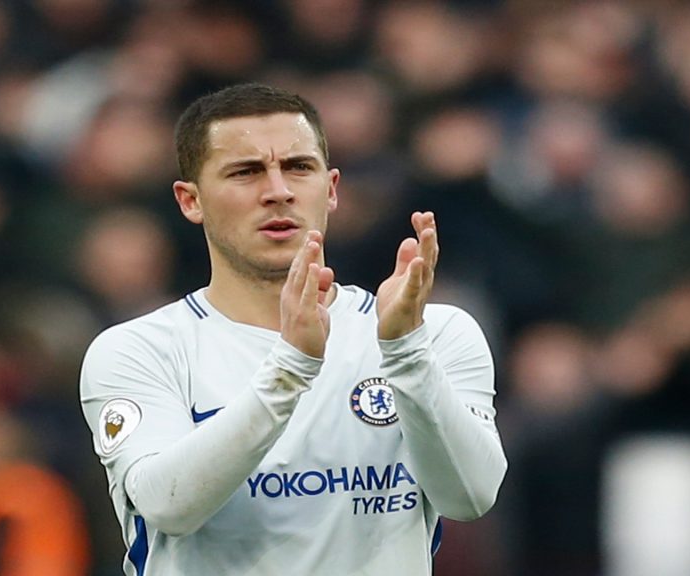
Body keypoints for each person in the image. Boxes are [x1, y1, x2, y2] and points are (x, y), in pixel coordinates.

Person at [79, 82, 507, 575]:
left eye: (299, 167)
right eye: (245, 172)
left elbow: (470, 497)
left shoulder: (431, 333)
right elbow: (169, 506)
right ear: (190, 200)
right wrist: (290, 368)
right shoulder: (139, 350)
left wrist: (407, 353)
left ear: (331, 189)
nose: (278, 191)